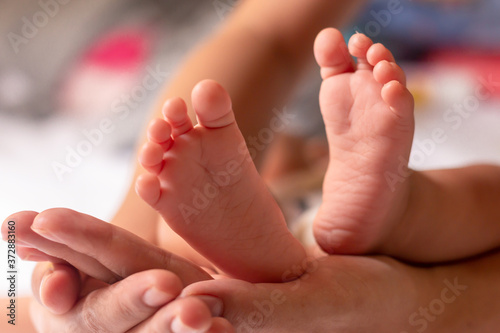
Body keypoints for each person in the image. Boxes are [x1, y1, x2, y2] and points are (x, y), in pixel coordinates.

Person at [5, 27, 500, 332]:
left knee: (178, 243)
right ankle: (402, 208)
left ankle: (246, 258)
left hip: (298, 226)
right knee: (482, 200)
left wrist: (47, 319)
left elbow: (265, 33)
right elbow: (265, 34)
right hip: (326, 216)